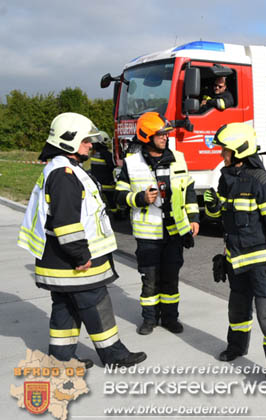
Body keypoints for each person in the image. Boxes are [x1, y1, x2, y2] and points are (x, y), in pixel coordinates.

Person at [17, 112, 147, 368]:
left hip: (57, 260)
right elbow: (66, 224)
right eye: (86, 140)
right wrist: (81, 255)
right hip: (74, 262)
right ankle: (115, 355)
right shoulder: (65, 175)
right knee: (96, 304)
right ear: (70, 141)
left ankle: (62, 359)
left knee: (65, 307)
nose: (90, 144)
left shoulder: (63, 170)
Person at [203, 122, 266, 381]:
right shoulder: (225, 177)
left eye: (225, 151)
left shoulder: (260, 180)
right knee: (237, 310)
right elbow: (220, 216)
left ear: (239, 151)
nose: (222, 155)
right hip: (236, 259)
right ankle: (236, 347)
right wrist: (212, 207)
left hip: (261, 262)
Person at [115, 112, 200, 335]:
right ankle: (149, 319)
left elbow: (188, 189)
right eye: (160, 134)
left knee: (171, 278)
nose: (165, 137)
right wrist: (140, 198)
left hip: (175, 231)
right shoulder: (132, 163)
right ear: (147, 137)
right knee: (150, 280)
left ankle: (171, 318)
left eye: (166, 133)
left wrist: (193, 218)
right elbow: (119, 195)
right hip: (148, 234)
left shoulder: (178, 158)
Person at [89, 131, 118, 215]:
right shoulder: (106, 154)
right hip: (107, 183)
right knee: (111, 200)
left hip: (97, 183)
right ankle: (116, 214)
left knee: (99, 201)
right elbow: (112, 166)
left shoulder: (93, 154)